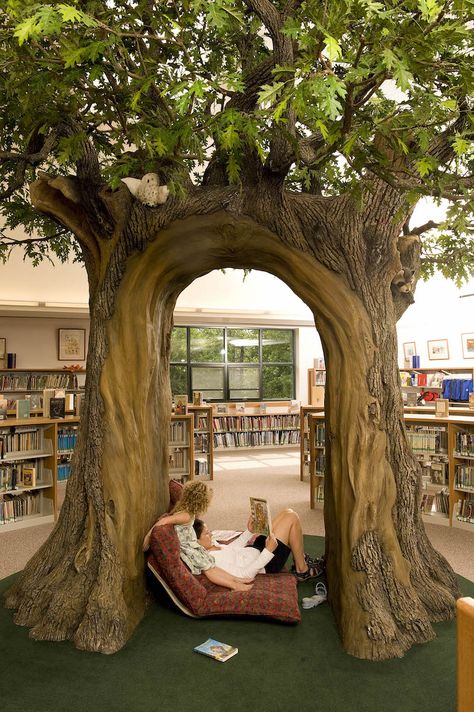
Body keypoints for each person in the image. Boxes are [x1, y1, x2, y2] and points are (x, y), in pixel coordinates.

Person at [143, 480, 253, 592]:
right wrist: (148, 537)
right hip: (189, 550)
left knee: (212, 565)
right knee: (209, 570)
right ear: (200, 502)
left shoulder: (187, 511)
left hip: (193, 546)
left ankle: (236, 579)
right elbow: (163, 521)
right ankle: (234, 586)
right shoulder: (186, 515)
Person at [193, 508, 324, 582]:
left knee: (287, 512)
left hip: (255, 549)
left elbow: (232, 550)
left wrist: (249, 531)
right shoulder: (214, 560)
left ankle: (300, 560)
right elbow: (245, 574)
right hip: (267, 561)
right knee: (292, 517)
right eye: (206, 534)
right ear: (197, 542)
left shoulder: (211, 544)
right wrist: (268, 551)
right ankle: (302, 568)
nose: (210, 534)